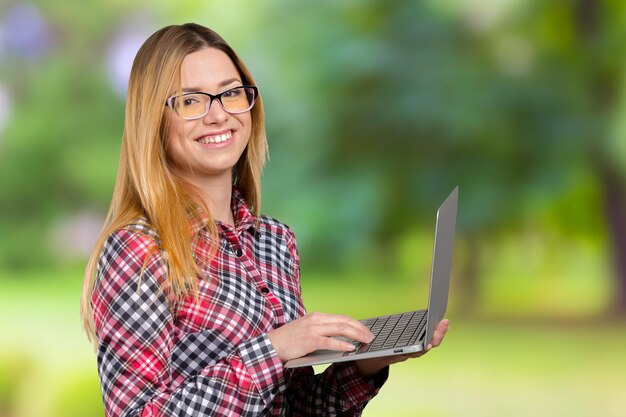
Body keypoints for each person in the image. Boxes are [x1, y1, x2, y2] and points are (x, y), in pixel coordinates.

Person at [80, 23, 449, 417]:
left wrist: (363, 366)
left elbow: (295, 407)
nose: (219, 114)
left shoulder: (274, 241)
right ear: (153, 118)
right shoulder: (140, 249)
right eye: (191, 101)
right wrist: (272, 349)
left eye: (231, 93)